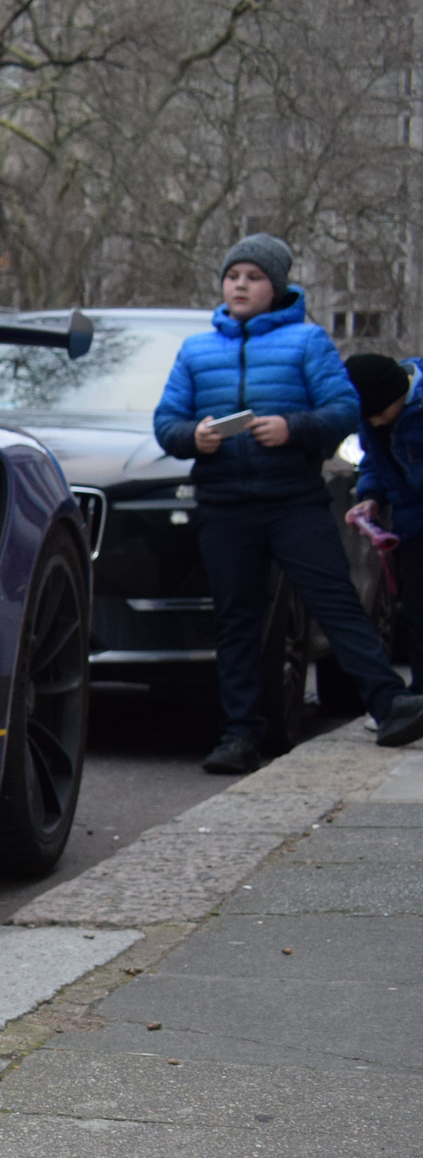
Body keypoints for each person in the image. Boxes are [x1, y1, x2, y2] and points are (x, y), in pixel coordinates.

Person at [152, 234, 423, 771]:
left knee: (334, 600)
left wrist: (293, 427)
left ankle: (391, 704)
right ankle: (239, 736)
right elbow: (166, 423)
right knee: (237, 619)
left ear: (275, 287)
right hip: (225, 503)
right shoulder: (196, 351)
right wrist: (194, 437)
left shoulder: (307, 342)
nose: (241, 286)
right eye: (234, 277)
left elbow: (344, 408)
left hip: (293, 499)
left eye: (253, 278)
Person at [343, 350, 423, 667]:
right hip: (413, 525)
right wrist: (371, 497)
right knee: (417, 613)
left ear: (397, 394)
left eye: (378, 413)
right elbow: (374, 463)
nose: (374, 421)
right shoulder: (373, 416)